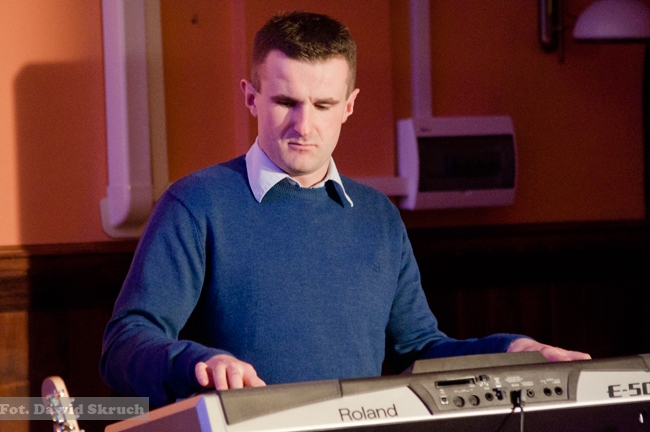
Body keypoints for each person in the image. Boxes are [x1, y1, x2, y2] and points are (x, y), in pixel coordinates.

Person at [100, 11, 590, 408]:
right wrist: (197, 362)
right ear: (250, 97)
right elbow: (124, 344)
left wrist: (511, 351)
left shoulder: (377, 216)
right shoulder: (196, 203)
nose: (303, 125)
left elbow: (420, 350)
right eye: (285, 101)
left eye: (323, 104)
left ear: (349, 106)